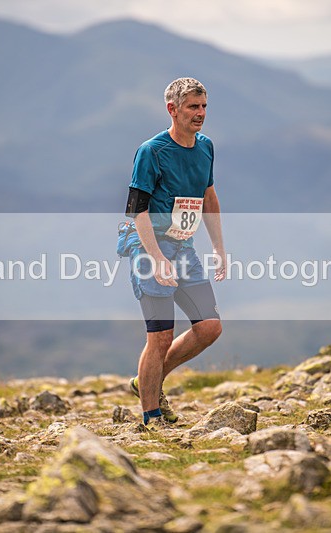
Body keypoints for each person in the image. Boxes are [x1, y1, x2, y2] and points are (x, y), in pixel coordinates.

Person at [120, 77, 226, 426]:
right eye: (193, 107)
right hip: (148, 244)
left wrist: (219, 247)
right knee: (161, 335)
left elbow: (208, 197)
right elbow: (137, 209)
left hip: (183, 245)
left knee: (209, 327)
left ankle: (145, 382)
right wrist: (156, 257)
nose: (200, 114)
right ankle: (152, 416)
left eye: (204, 106)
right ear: (173, 109)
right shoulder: (151, 151)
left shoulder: (206, 146)